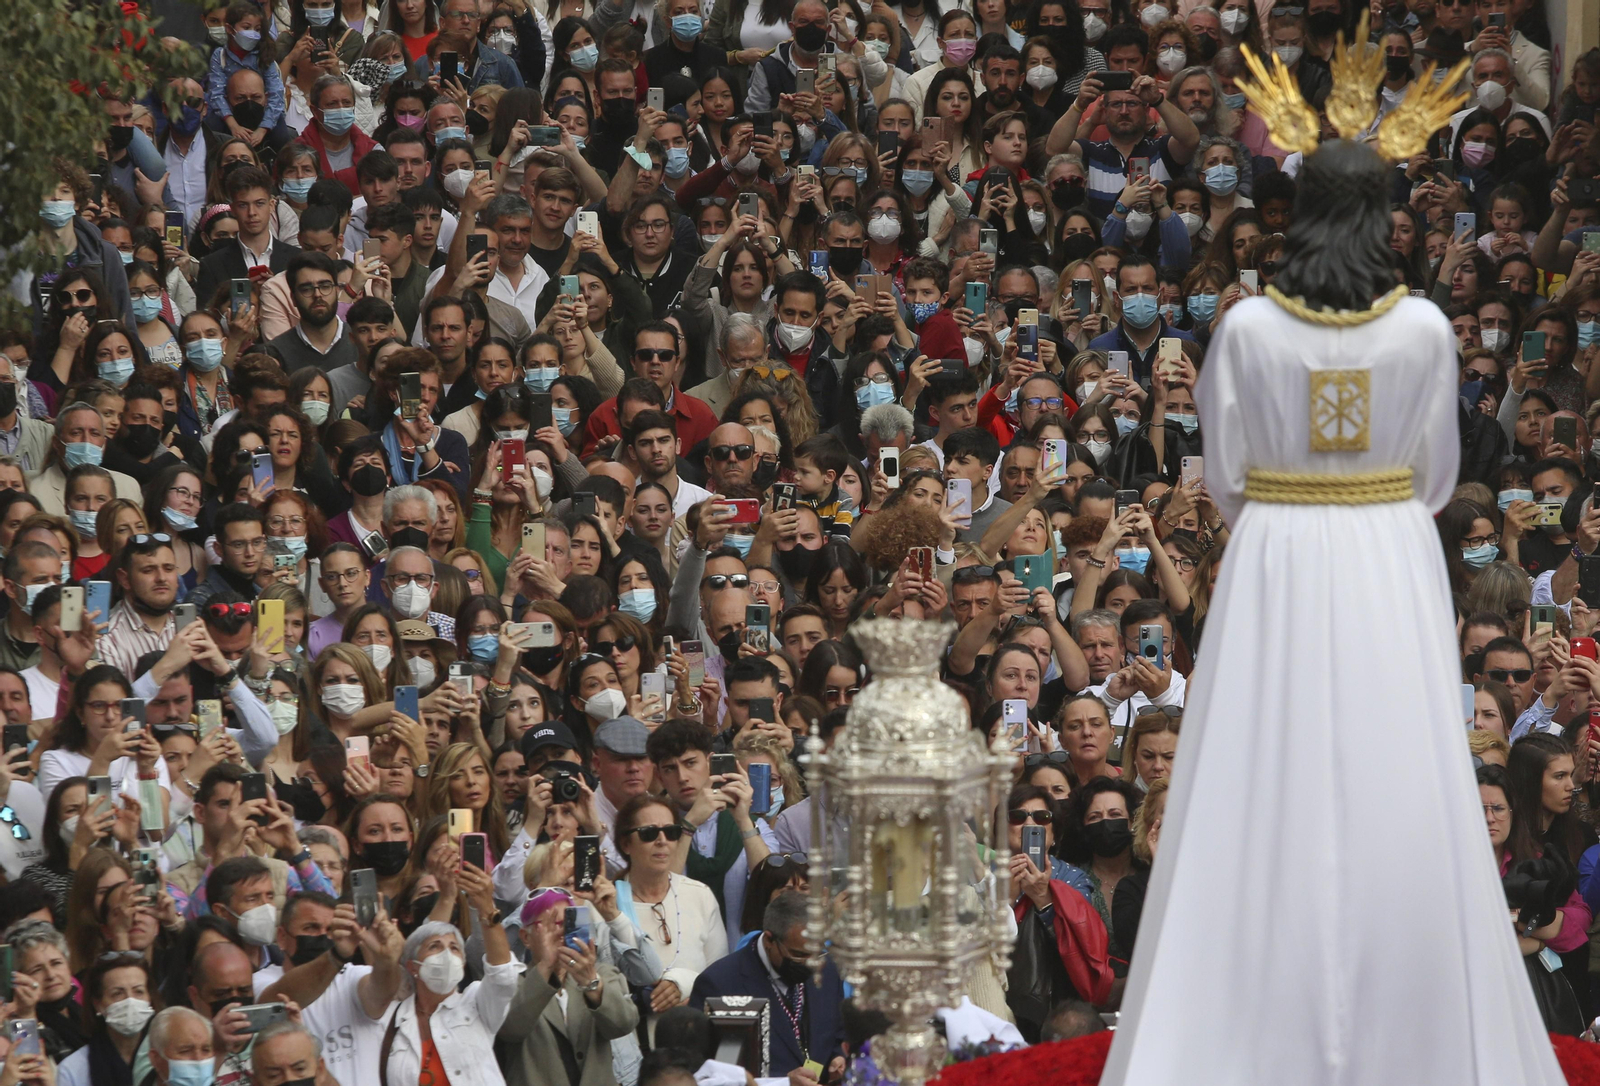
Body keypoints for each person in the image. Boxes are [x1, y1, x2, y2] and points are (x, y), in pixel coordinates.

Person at [1099, 129, 1564, 1085]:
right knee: (1398, 767)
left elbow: (1222, 476)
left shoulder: (1253, 327)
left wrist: (1290, 499)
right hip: (1388, 553)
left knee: (1262, 764)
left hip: (1275, 552)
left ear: (1303, 210)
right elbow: (1437, 476)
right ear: (1385, 216)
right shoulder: (1426, 329)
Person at [689, 890, 845, 1079]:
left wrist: (836, 1057)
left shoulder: (828, 970)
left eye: (817, 953)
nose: (811, 963)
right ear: (769, 939)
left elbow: (834, 1033)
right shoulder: (719, 984)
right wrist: (782, 1083)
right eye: (799, 955)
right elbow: (705, 1073)